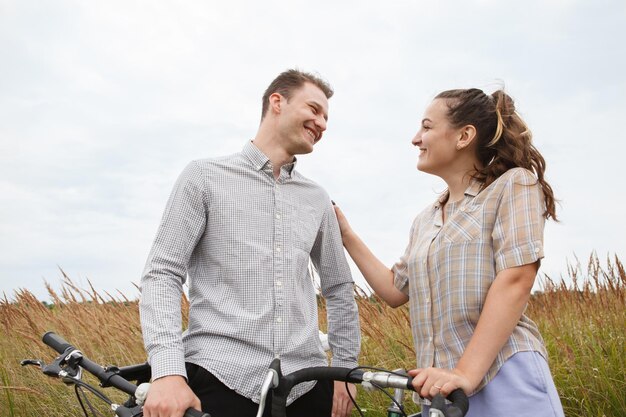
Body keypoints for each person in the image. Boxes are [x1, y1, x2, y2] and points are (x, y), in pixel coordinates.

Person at [139, 69, 360, 417]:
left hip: (307, 387)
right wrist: (167, 371)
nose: (322, 123)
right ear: (277, 102)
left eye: (326, 117)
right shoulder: (203, 177)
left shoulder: (317, 198)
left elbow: (338, 286)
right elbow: (162, 274)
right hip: (219, 380)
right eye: (314, 109)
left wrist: (345, 372)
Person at [334, 88, 565, 416]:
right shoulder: (425, 220)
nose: (416, 138)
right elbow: (393, 290)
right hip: (440, 392)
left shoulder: (513, 185)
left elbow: (516, 279)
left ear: (464, 136)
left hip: (503, 378)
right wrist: (346, 234)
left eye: (427, 127)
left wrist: (464, 374)